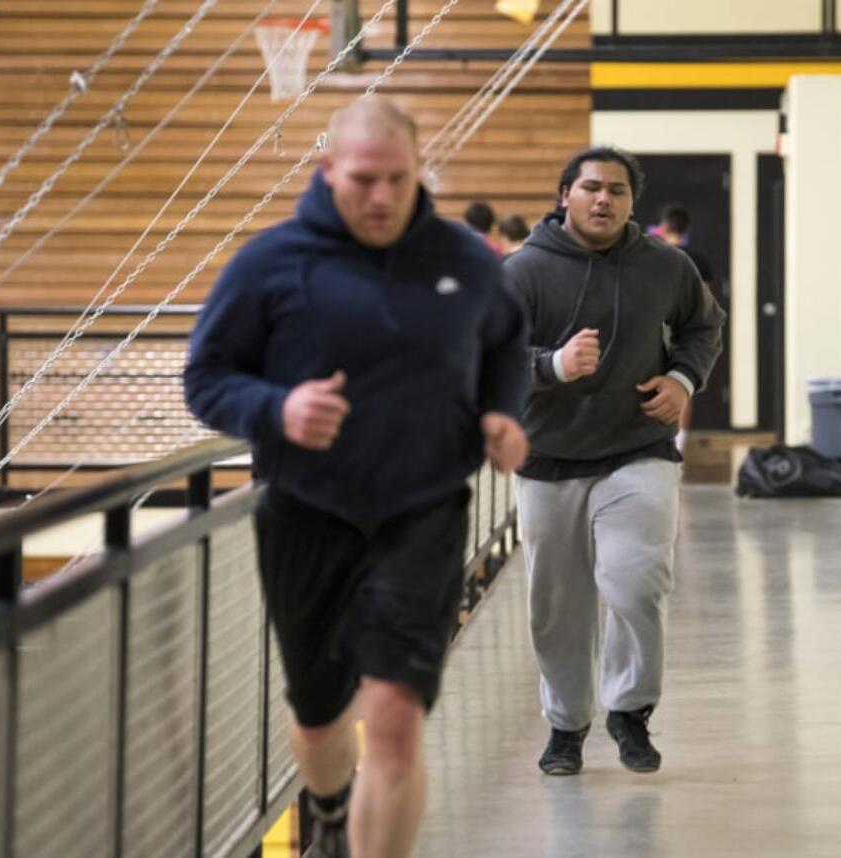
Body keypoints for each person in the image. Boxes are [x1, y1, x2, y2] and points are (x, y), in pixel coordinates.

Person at [184, 97, 529, 858]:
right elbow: (205, 379)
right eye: (363, 179)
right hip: (307, 511)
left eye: (397, 180)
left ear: (419, 173)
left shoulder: (464, 259)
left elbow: (507, 345)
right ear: (327, 171)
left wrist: (504, 411)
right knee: (318, 713)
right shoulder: (270, 262)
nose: (380, 197)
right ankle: (331, 811)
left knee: (398, 716)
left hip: (424, 509)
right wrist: (276, 407)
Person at [505, 146, 725, 776]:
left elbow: (704, 327)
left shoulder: (665, 265)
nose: (604, 199)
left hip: (638, 452)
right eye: (591, 187)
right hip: (548, 459)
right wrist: (550, 365)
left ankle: (629, 711)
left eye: (618, 191)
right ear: (564, 195)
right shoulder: (521, 274)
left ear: (633, 202)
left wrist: (684, 378)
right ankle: (566, 726)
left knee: (635, 581)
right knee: (557, 603)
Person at [653, 203, 717, 453]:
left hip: (661, 325)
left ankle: (658, 441)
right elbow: (707, 299)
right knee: (682, 383)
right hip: (688, 328)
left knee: (653, 380)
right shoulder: (698, 259)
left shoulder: (657, 256)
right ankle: (678, 444)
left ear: (664, 226)